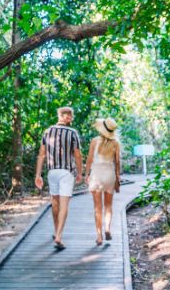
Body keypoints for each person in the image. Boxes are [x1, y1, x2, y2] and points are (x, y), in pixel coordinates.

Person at [35, 106, 83, 250]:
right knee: (64, 205)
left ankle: (56, 231)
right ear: (63, 116)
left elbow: (41, 154)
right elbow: (78, 155)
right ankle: (59, 236)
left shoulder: (47, 131)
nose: (70, 118)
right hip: (66, 172)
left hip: (52, 172)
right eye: (69, 115)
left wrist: (38, 174)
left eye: (70, 116)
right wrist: (80, 172)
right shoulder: (72, 133)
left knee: (54, 203)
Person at [85, 117, 121, 246]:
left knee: (97, 207)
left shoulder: (95, 141)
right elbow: (117, 162)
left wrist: (86, 174)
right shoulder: (116, 143)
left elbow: (89, 159)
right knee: (108, 206)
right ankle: (107, 229)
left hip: (96, 175)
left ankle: (99, 235)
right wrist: (118, 177)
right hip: (109, 175)